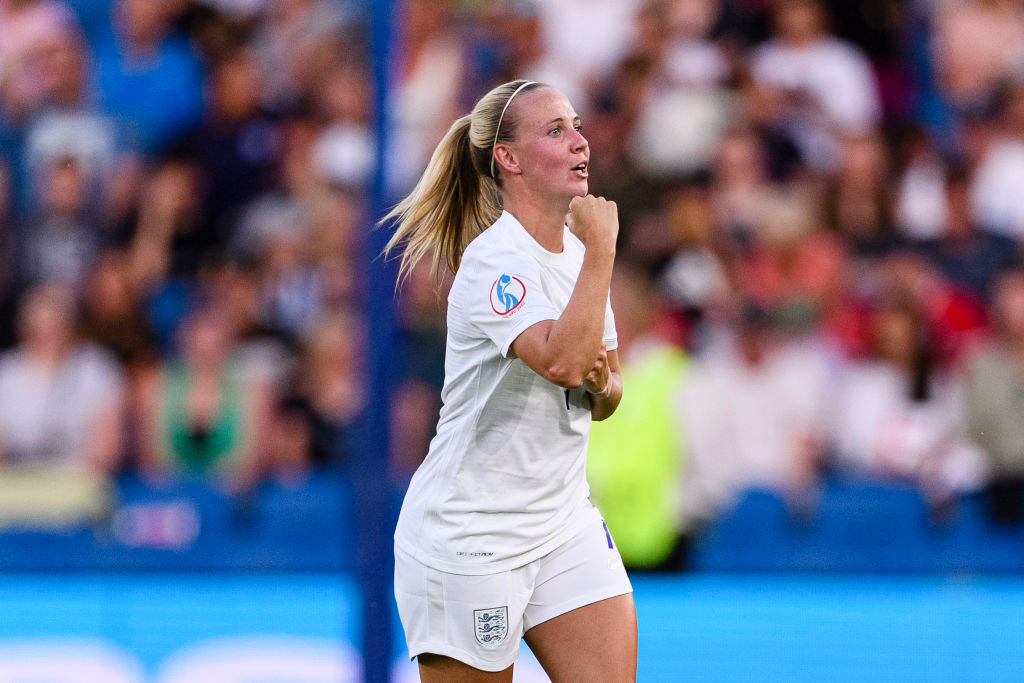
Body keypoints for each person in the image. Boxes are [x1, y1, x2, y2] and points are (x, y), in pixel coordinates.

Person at [384, 79, 636, 681]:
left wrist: (603, 388)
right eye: (556, 131)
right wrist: (603, 252)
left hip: (561, 520)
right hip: (472, 536)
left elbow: (606, 389)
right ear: (509, 158)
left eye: (576, 126)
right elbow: (562, 363)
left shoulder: (575, 257)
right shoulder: (495, 261)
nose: (580, 143)